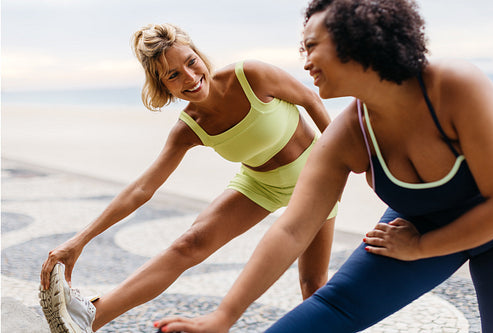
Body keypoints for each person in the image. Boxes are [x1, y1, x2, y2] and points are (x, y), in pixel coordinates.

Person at [155, 0, 493, 332]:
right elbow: (292, 230)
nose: (305, 63)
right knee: (333, 307)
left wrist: (422, 248)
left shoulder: (453, 86)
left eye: (312, 46)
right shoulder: (348, 134)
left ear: (358, 36)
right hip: (412, 231)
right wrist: (223, 317)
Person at [38, 22, 339, 333]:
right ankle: (90, 318)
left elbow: (311, 100)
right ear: (163, 86)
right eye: (173, 75)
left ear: (199, 55)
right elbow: (142, 189)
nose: (191, 78)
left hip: (316, 179)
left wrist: (339, 162)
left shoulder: (251, 75)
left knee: (312, 285)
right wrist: (79, 241)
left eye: (191, 62)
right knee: (189, 243)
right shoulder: (189, 128)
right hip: (260, 185)